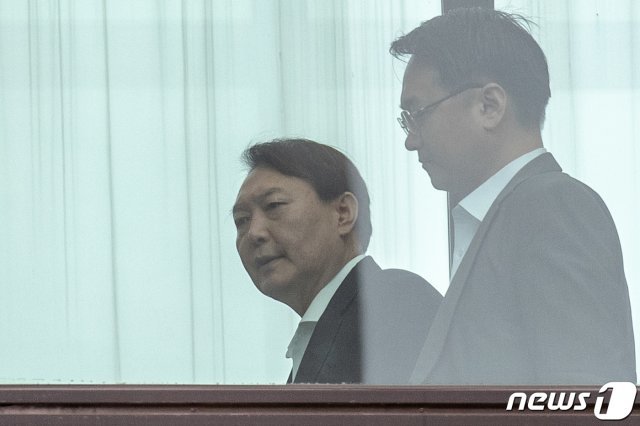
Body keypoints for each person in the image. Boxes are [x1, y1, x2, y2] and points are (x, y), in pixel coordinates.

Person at [390, 8, 636, 384]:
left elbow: (585, 397)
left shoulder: (552, 207)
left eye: (418, 114)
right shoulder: (512, 215)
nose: (410, 140)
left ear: (490, 105)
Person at [233, 138, 442, 384]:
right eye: (241, 220)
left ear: (343, 213)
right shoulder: (326, 327)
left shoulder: (391, 302)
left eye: (274, 205)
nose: (254, 233)